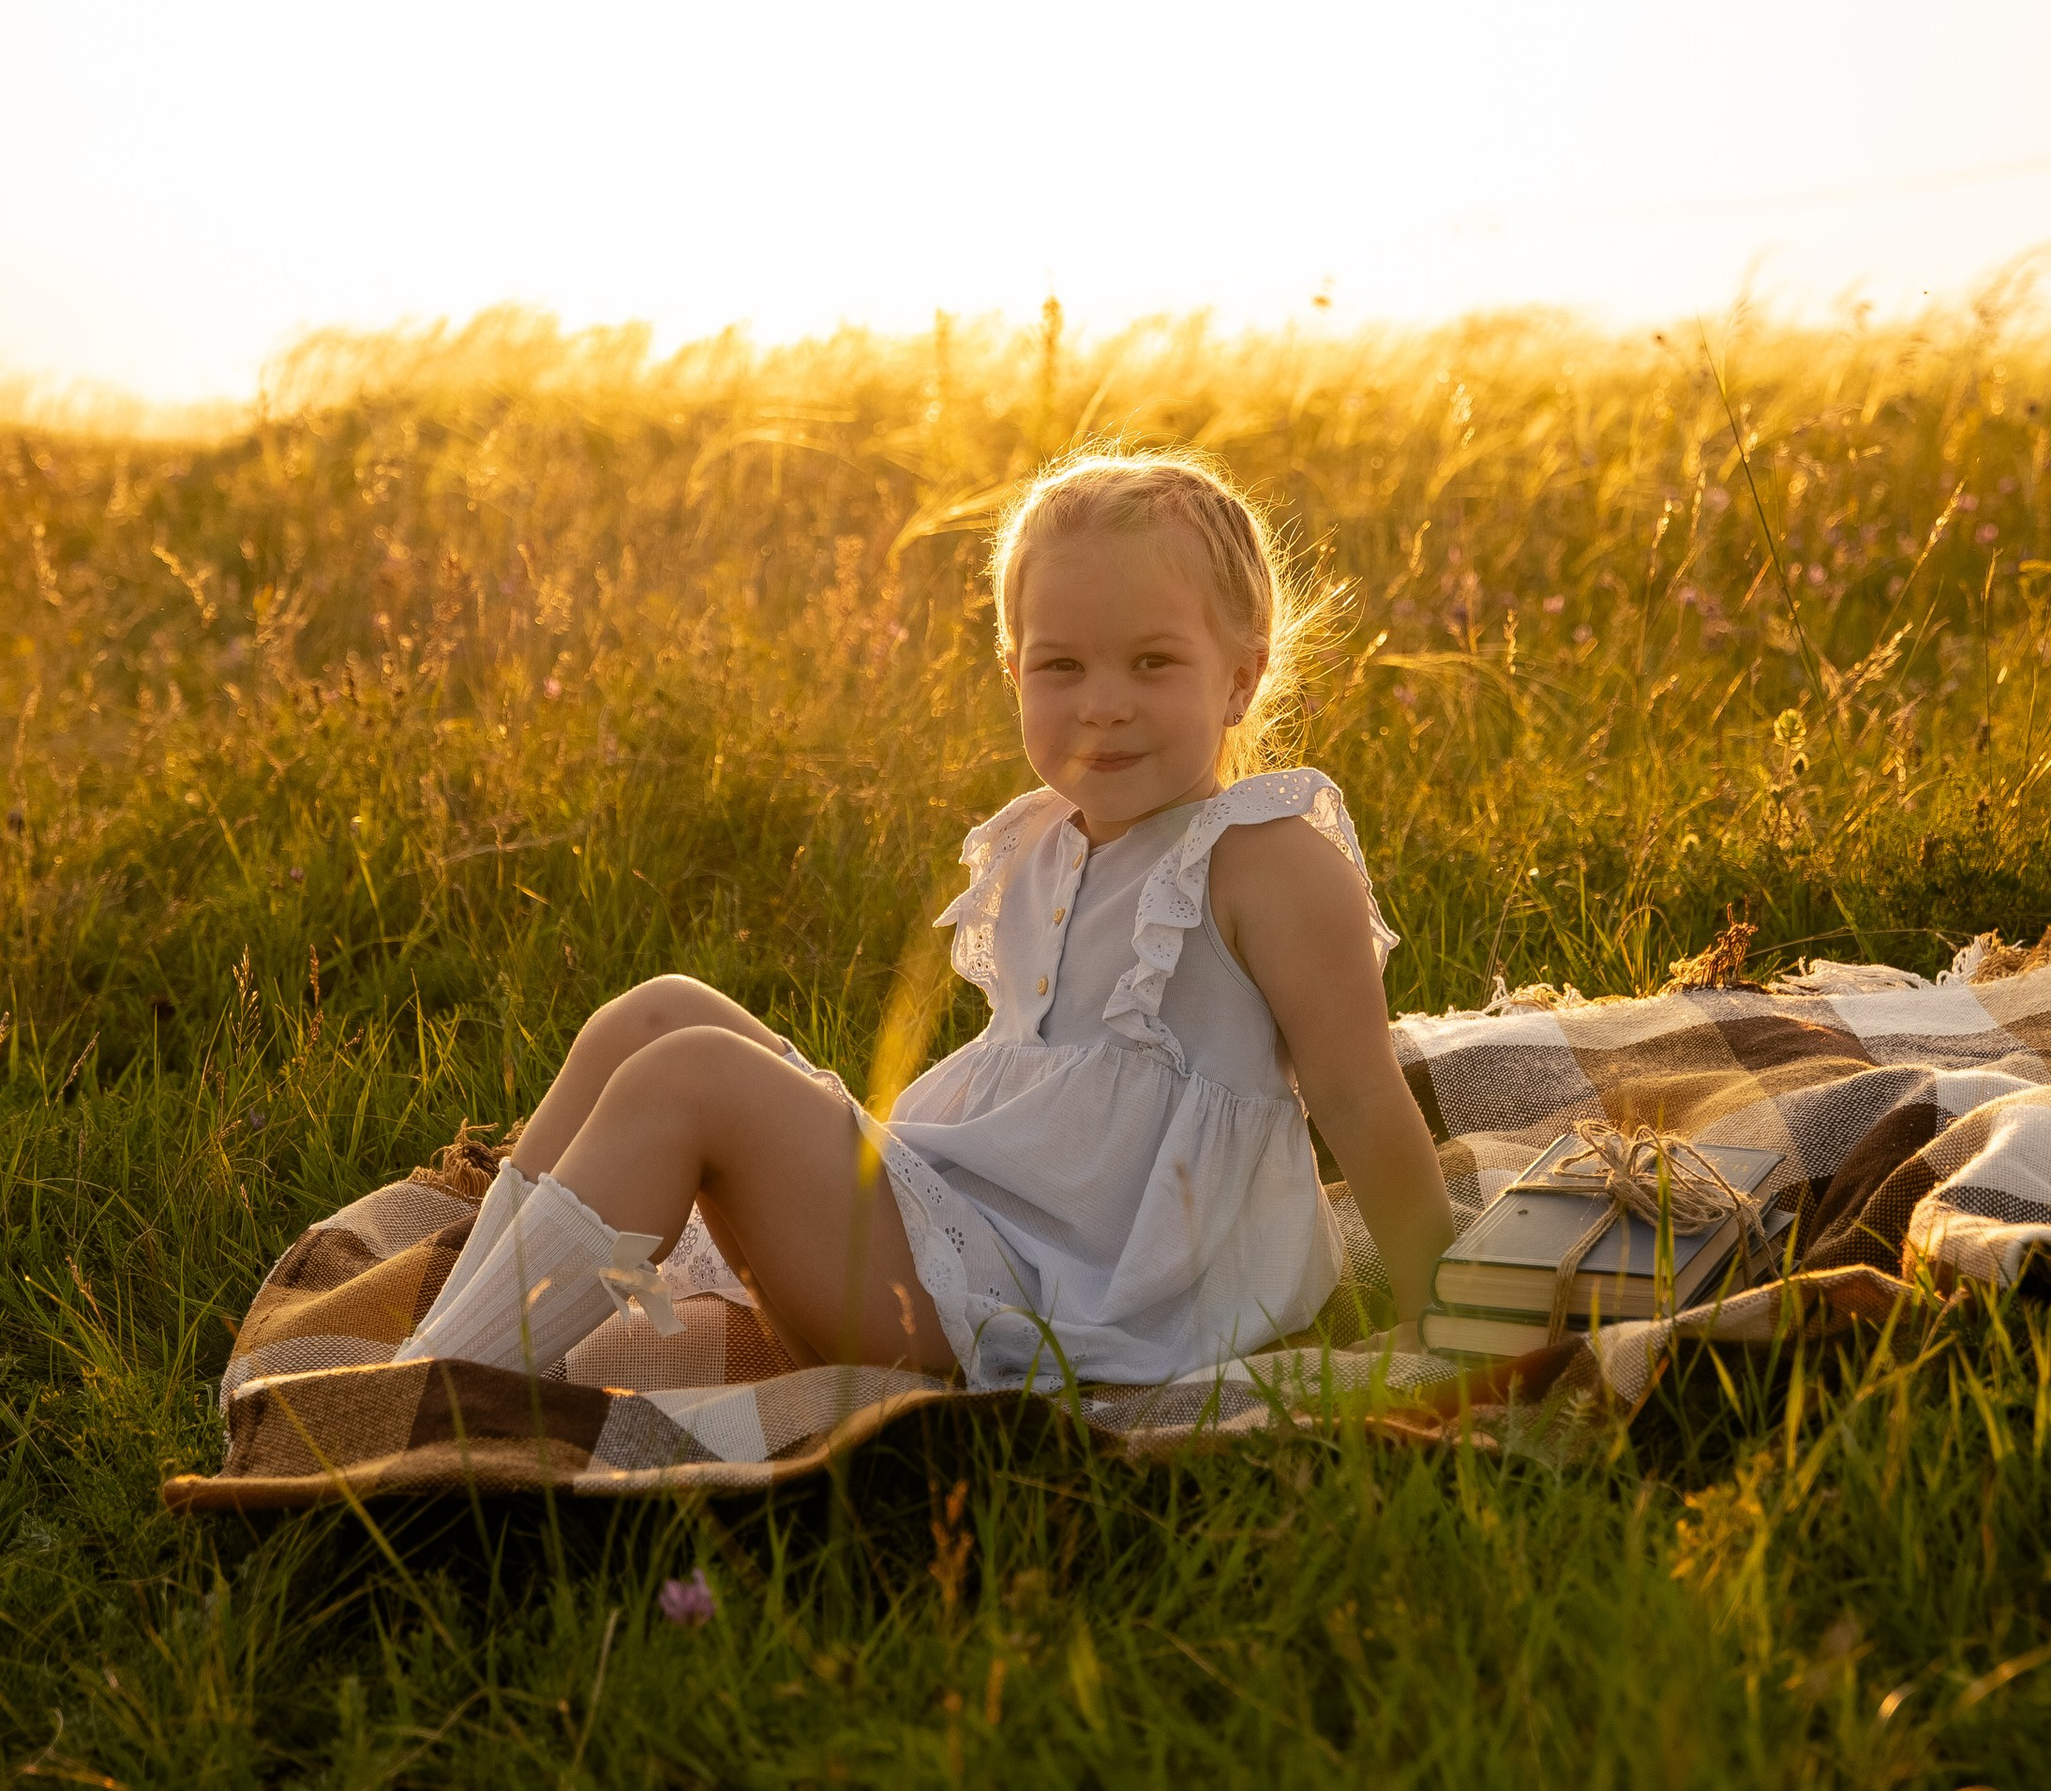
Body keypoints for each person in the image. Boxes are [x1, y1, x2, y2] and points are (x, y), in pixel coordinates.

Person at [399, 451, 1456, 1391]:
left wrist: (1443, 1318)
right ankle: (452, 1324)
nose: (1101, 703)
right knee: (656, 1016)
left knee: (694, 1080)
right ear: (1011, 671)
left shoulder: (1264, 859)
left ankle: (441, 1386)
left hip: (1078, 1297)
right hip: (961, 1227)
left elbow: (1360, 1101)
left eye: (1151, 663)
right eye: (1060, 666)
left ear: (1241, 677)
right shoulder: (1042, 840)